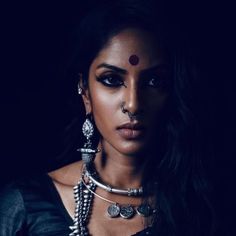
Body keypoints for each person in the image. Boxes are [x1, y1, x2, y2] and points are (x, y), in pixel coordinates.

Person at [0, 1, 215, 235]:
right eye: (112, 80)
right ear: (85, 90)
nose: (133, 104)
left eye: (153, 82)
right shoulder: (26, 206)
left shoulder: (199, 206)